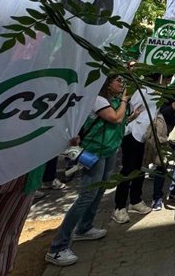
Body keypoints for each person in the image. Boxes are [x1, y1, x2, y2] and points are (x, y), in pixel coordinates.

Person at [46, 75, 132, 267]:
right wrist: (125, 101)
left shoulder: (112, 100)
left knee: (100, 190)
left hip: (109, 150)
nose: (122, 84)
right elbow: (115, 118)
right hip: (95, 152)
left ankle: (84, 227)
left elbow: (120, 120)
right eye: (118, 81)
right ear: (107, 84)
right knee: (87, 195)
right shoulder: (98, 100)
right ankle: (57, 247)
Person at [111, 76, 162, 223]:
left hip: (146, 135)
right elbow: (127, 111)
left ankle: (135, 200)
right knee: (128, 170)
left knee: (140, 169)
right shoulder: (131, 90)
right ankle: (119, 207)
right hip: (131, 133)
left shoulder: (156, 90)